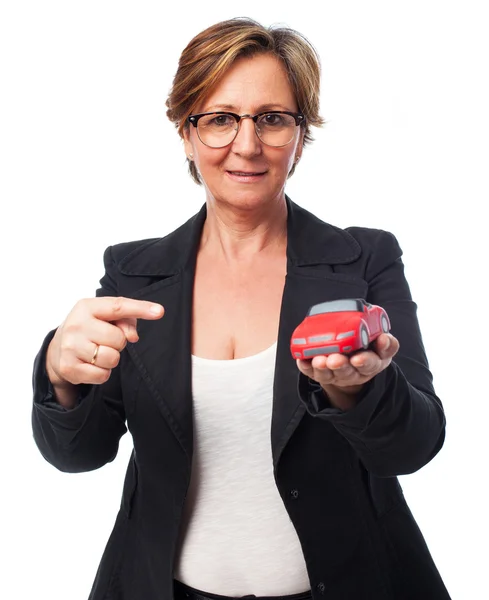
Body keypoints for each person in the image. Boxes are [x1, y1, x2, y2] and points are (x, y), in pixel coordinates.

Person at [31, 17, 451, 600]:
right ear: (186, 133)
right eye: (220, 119)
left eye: (273, 119)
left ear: (301, 135)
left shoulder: (365, 259)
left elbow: (414, 445)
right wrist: (59, 376)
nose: (247, 144)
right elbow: (78, 455)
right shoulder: (133, 274)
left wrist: (357, 391)